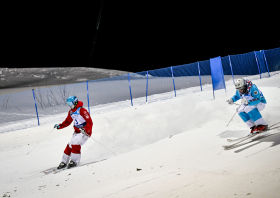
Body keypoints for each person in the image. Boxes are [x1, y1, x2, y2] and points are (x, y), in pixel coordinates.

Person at [54, 96, 93, 169]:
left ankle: (74, 161)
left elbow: (89, 122)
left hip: (84, 132)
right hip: (77, 132)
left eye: (70, 103)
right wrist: (60, 126)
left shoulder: (82, 110)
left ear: (75, 102)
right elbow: (68, 121)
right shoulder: (71, 112)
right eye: (68, 103)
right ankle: (64, 161)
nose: (69, 105)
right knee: (70, 145)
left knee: (75, 143)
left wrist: (86, 130)